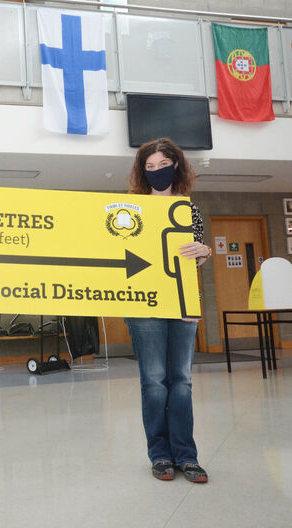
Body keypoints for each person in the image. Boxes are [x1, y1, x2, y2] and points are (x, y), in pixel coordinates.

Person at [123, 138, 211, 484]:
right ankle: (160, 455)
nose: (157, 171)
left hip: (183, 304)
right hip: (144, 307)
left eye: (163, 164)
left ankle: (187, 456)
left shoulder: (189, 209)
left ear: (177, 165)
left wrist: (203, 250)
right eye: (150, 167)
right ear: (142, 172)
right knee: (154, 382)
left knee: (183, 382)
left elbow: (199, 260)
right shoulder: (132, 207)